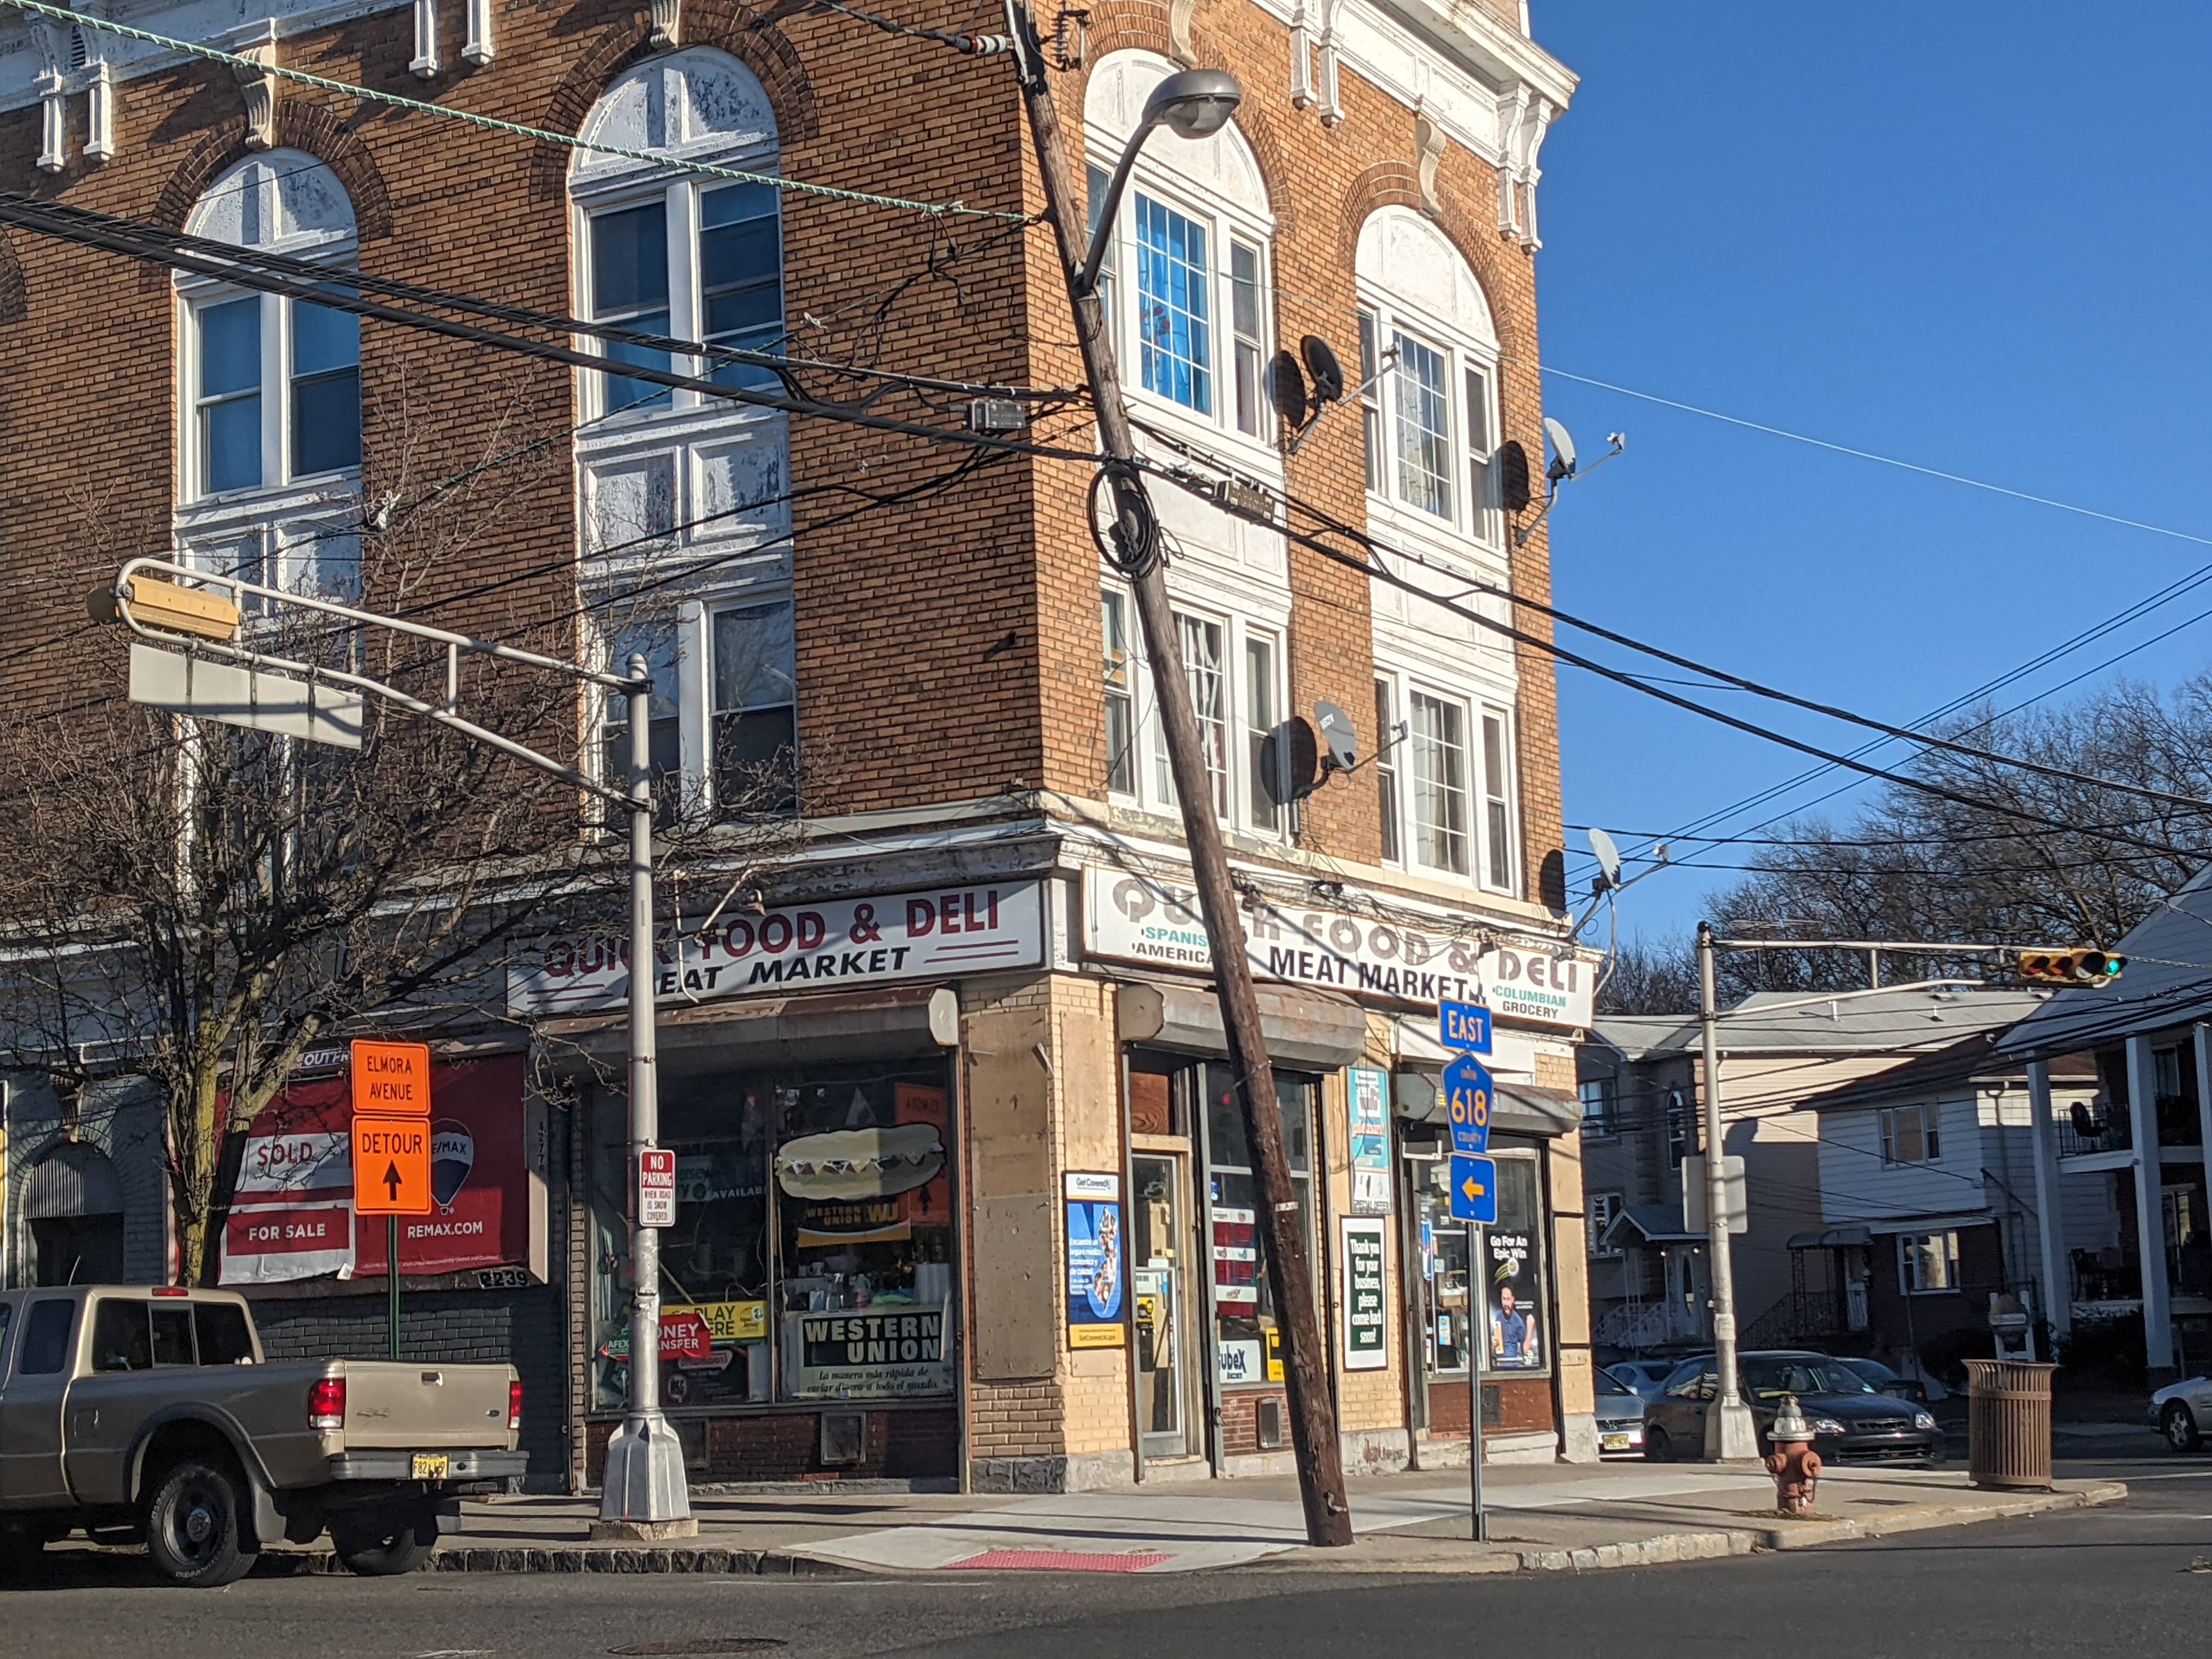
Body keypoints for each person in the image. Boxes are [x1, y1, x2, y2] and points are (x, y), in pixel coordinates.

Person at [1491, 1282, 1538, 1367]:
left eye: (1508, 1299)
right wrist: (1492, 1341)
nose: (1506, 1303)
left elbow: (1525, 1350)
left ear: (1513, 1300)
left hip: (1512, 1365)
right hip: (1497, 1364)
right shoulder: (1498, 1316)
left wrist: (1530, 1328)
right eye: (1504, 1299)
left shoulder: (1518, 1322)